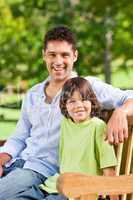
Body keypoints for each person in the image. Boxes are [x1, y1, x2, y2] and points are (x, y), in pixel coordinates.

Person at [0, 26, 133, 200]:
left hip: (40, 170)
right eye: (52, 54)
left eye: (65, 55)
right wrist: (2, 158)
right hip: (16, 163)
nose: (58, 61)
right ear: (44, 55)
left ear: (75, 56)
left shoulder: (86, 87)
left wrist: (121, 112)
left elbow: (129, 96)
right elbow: (19, 136)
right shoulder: (33, 94)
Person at [39, 77, 118, 200]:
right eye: (72, 101)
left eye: (84, 99)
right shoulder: (66, 122)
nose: (78, 105)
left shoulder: (98, 126)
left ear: (92, 102)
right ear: (65, 106)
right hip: (59, 185)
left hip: (82, 192)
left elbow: (108, 168)